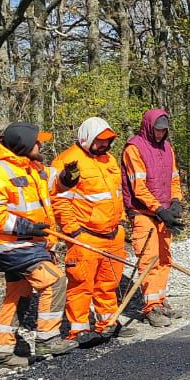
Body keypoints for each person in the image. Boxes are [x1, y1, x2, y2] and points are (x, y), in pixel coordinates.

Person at [0, 122, 78, 367]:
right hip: (12, 246)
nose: (41, 144)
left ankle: (1, 348)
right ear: (24, 145)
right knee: (54, 280)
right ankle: (48, 338)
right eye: (37, 141)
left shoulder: (33, 166)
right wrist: (27, 227)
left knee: (18, 293)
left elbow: (54, 185)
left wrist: (67, 177)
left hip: (31, 243)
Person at [50, 117, 126, 342]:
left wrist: (120, 223)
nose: (105, 145)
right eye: (100, 141)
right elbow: (58, 199)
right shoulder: (67, 162)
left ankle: (107, 323)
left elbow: (115, 195)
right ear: (87, 138)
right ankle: (79, 329)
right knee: (81, 284)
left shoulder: (109, 160)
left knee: (109, 282)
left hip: (112, 233)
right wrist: (72, 230)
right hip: (85, 235)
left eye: (108, 141)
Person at [120, 108, 184, 327]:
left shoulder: (167, 148)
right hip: (144, 213)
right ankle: (150, 307)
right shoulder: (134, 149)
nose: (160, 134)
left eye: (164, 130)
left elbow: (174, 178)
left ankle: (161, 300)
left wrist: (175, 202)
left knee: (165, 258)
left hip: (163, 212)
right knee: (149, 260)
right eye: (157, 130)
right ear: (149, 127)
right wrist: (159, 209)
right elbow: (138, 188)